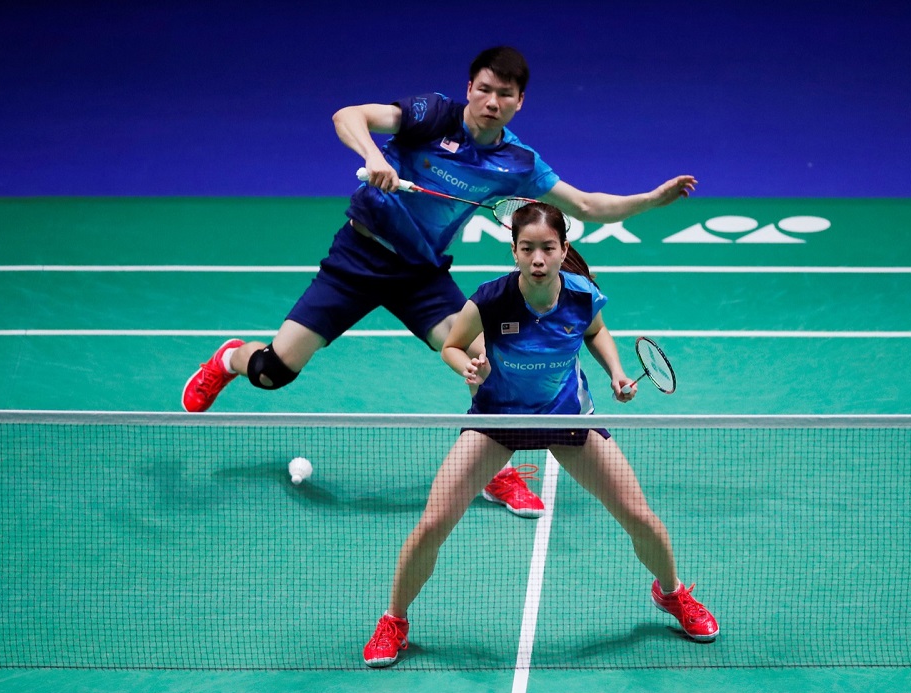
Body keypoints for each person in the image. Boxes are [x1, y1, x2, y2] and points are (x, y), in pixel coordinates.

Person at [181, 46, 698, 518]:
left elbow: (586, 205)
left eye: (504, 95)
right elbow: (348, 116)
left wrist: (652, 199)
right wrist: (374, 155)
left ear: (520, 102)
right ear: (469, 87)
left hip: (421, 274)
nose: (491, 102)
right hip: (358, 258)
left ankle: (497, 471)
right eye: (484, 89)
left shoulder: (517, 162)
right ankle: (230, 358)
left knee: (490, 363)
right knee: (273, 371)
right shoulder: (431, 115)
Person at [362, 203, 718, 668]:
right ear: (513, 251)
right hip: (498, 418)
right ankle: (394, 620)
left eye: (547, 248)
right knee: (432, 524)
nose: (537, 258)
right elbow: (450, 344)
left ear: (562, 249)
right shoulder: (490, 300)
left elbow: (596, 332)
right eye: (527, 248)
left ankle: (671, 594)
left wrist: (615, 371)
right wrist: (466, 365)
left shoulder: (582, 295)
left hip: (565, 416)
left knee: (639, 515)